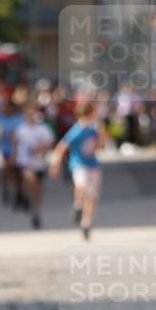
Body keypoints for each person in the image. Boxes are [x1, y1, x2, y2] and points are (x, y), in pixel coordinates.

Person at [50, 101, 104, 240]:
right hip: (79, 164)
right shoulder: (76, 130)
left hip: (93, 165)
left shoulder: (95, 129)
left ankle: (86, 224)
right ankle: (78, 205)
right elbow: (62, 147)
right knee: (81, 186)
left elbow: (102, 146)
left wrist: (101, 135)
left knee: (92, 198)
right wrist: (56, 164)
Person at [12, 103, 55, 227]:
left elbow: (50, 144)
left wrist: (41, 149)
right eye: (28, 113)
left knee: (37, 190)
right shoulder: (20, 129)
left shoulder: (43, 129)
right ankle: (26, 195)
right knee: (30, 179)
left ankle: (36, 212)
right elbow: (15, 144)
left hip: (39, 163)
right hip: (24, 162)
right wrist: (14, 158)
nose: (30, 116)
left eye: (33, 113)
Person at [0, 98, 23, 208]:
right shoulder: (0, 119)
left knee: (18, 173)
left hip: (18, 149)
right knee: (7, 169)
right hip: (5, 148)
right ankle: (6, 190)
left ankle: (19, 193)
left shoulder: (19, 119)